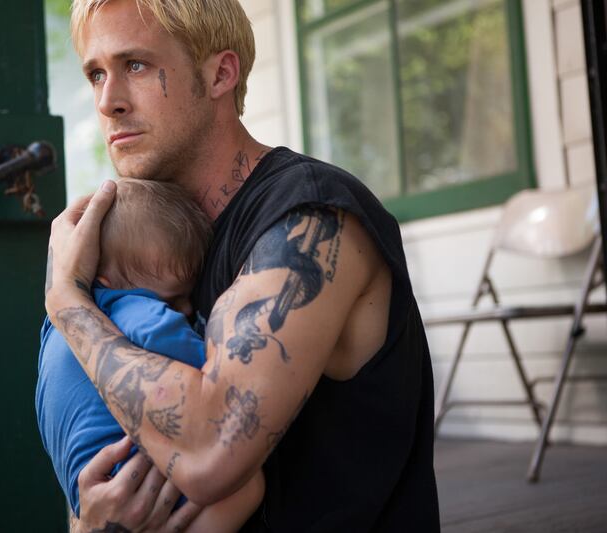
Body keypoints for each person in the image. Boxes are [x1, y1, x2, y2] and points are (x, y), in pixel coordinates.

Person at [43, 0, 441, 531]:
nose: (107, 101)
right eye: (96, 74)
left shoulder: (309, 215)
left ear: (220, 74)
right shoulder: (148, 242)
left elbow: (211, 453)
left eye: (134, 65)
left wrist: (67, 302)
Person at [36, 178, 264, 532]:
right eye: (172, 299)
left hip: (87, 494)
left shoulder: (55, 328)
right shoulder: (140, 315)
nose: (185, 309)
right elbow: (211, 385)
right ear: (110, 280)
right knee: (247, 488)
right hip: (138, 479)